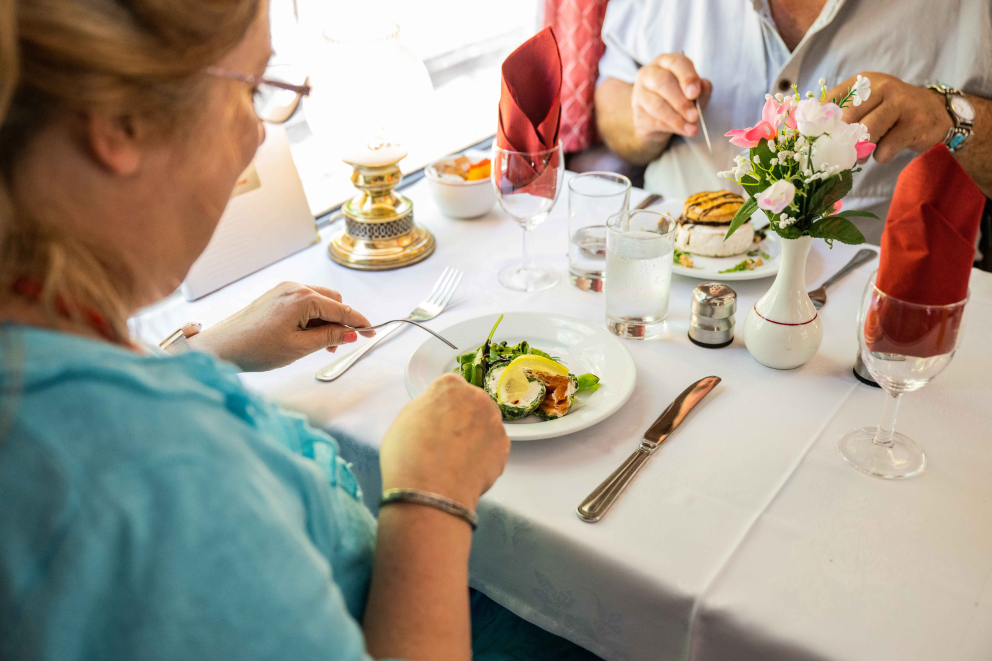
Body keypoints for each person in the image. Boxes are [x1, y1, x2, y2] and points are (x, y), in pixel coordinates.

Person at [0, 1, 598, 659]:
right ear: (121, 123)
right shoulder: (160, 477)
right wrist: (431, 493)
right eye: (252, 91)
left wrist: (205, 350)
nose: (260, 136)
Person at [595, 0, 992, 243]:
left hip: (877, 299)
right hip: (672, 270)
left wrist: (952, 117)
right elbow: (612, 102)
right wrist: (642, 114)